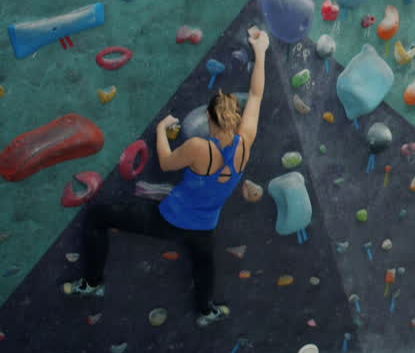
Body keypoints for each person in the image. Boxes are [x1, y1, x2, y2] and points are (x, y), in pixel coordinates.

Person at [64, 27, 269, 326]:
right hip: (203, 228)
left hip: (168, 220)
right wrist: (260, 51)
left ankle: (92, 281)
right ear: (236, 123)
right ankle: (206, 310)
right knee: (204, 264)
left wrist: (162, 130)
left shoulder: (200, 148)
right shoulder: (245, 144)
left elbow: (167, 162)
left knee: (98, 215)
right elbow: (256, 94)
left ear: (210, 122)